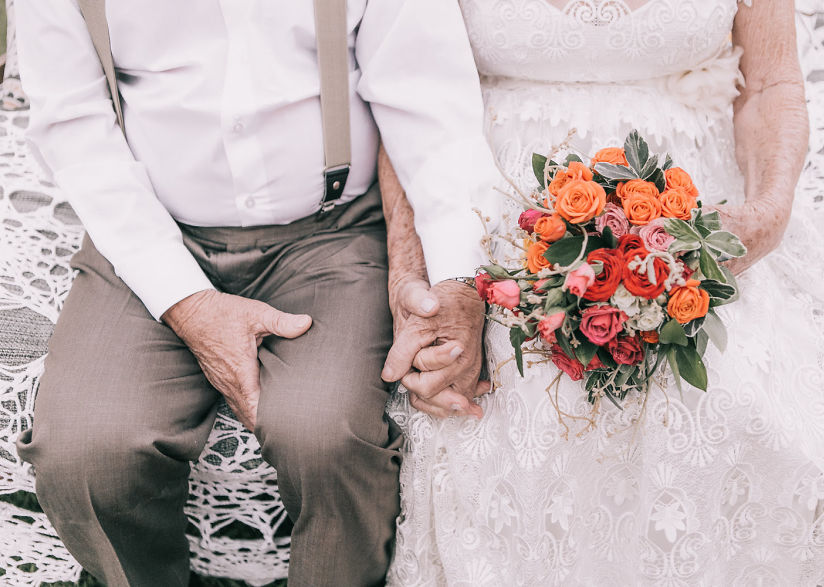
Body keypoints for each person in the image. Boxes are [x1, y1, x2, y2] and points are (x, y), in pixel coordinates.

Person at [384, 0, 824, 584]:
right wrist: (417, 272)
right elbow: (406, 93)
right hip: (490, 211)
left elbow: (771, 85)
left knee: (747, 406)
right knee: (507, 408)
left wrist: (765, 217)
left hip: (697, 209)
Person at [13, 1, 494, 585]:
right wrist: (184, 300)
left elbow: (426, 101)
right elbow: (73, 125)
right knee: (86, 455)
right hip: (146, 233)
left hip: (333, 233)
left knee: (327, 438)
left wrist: (453, 280)